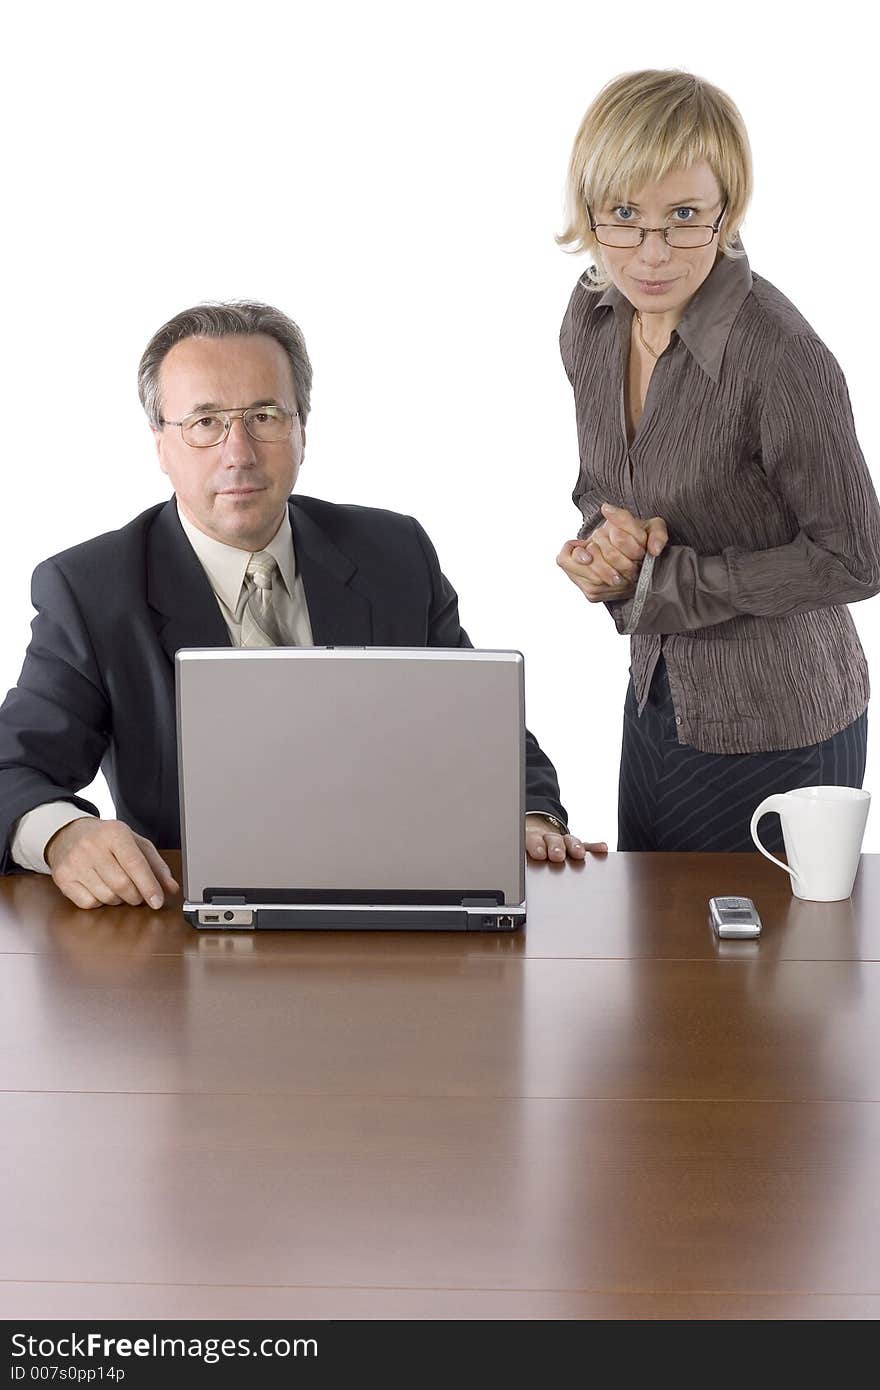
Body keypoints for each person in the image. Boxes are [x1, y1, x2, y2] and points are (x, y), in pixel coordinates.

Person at [0, 301, 601, 910]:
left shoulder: (395, 555)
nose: (238, 453)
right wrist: (63, 836)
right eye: (205, 423)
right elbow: (11, 770)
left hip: (392, 903)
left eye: (264, 416)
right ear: (160, 443)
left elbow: (481, 730)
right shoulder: (92, 589)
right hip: (189, 925)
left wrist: (529, 818)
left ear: (302, 430)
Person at [554, 69, 880, 852]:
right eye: (625, 215)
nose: (651, 253)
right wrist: (608, 548)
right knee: (648, 954)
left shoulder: (782, 355)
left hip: (782, 724)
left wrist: (667, 584)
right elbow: (608, 489)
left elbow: (859, 557)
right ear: (591, 210)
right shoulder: (592, 319)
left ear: (727, 212)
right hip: (659, 698)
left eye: (685, 217)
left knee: (755, 972)